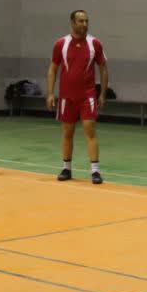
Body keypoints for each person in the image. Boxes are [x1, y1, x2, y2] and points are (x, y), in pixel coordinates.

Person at [46, 10, 109, 184]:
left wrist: (103, 93)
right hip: (66, 97)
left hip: (87, 96)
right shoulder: (61, 43)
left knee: (90, 129)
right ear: (73, 23)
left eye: (86, 21)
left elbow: (103, 68)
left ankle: (95, 171)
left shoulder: (94, 43)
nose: (85, 24)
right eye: (81, 21)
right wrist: (50, 93)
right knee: (67, 132)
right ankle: (66, 168)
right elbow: (53, 69)